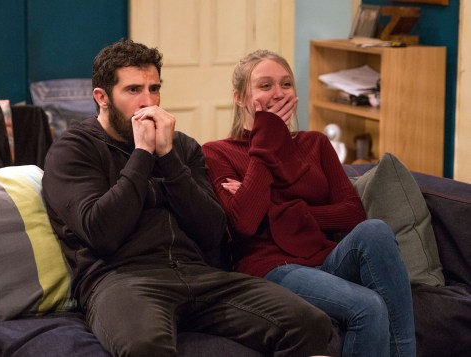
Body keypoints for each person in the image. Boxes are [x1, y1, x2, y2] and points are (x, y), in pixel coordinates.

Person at [42, 39, 333, 357]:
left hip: (198, 275)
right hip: (121, 279)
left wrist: (167, 156)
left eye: (154, 89)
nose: (148, 102)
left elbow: (211, 231)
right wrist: (143, 153)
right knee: (145, 347)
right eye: (133, 90)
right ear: (102, 98)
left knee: (310, 323)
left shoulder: (181, 147)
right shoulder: (73, 149)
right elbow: (102, 232)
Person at [201, 49, 416, 357]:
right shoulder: (217, 153)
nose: (278, 92)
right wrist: (267, 135)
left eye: (286, 84)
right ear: (239, 97)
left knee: (376, 230)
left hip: (326, 258)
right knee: (369, 306)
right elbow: (245, 224)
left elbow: (352, 214)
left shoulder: (315, 143)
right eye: (265, 85)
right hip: (270, 266)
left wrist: (275, 212)